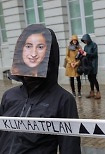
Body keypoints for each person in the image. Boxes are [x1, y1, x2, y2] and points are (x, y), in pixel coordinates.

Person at [0, 24, 81, 154]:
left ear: (50, 54)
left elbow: (70, 148)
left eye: (40, 47)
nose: (33, 54)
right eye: (28, 46)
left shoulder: (63, 100)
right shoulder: (9, 96)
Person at [81, 34, 101, 99]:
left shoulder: (94, 45)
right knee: (90, 78)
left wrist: (87, 54)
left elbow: (95, 54)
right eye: (84, 41)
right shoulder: (85, 47)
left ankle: (98, 92)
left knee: (94, 78)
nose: (85, 42)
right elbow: (85, 55)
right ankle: (92, 91)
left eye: (86, 40)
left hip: (93, 64)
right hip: (88, 64)